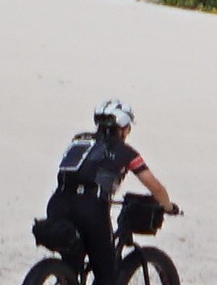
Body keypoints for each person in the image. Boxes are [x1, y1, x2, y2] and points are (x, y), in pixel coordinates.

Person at [41, 96, 177, 258]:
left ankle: (66, 279)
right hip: (90, 209)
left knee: (72, 258)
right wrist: (169, 207)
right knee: (106, 272)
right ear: (121, 127)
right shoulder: (126, 152)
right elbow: (155, 186)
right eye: (127, 128)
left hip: (58, 202)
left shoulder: (79, 140)